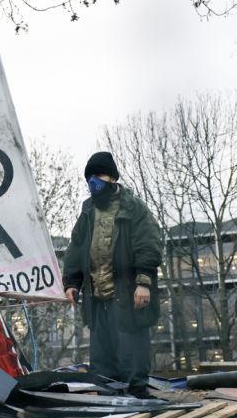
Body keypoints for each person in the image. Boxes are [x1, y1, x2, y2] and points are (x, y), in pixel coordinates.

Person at [62, 152, 163, 398]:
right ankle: (108, 397)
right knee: (102, 354)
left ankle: (137, 396)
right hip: (96, 296)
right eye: (90, 178)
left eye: (98, 176)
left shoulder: (133, 207)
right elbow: (76, 248)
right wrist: (71, 282)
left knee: (131, 349)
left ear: (112, 177)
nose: (94, 182)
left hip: (127, 293)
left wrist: (143, 283)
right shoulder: (87, 211)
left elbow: (148, 245)